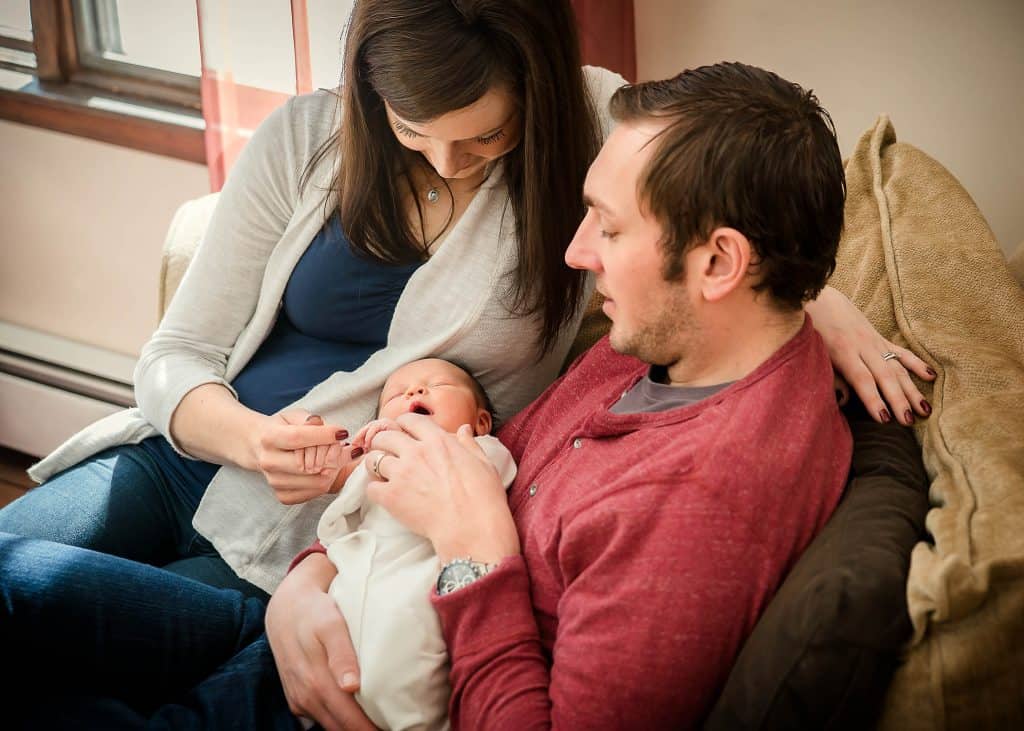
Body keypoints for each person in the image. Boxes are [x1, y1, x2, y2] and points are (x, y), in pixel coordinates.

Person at [0, 0, 933, 723]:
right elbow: (176, 356)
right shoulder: (314, 138)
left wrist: (815, 301)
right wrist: (262, 466)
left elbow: (729, 189)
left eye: (486, 135)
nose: (449, 162)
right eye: (414, 128)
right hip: (224, 471)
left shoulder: (597, 133)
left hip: (341, 528)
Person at [317, 358, 516, 731]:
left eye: (437, 385)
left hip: (415, 596)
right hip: (354, 606)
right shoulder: (377, 466)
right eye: (395, 395)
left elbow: (492, 476)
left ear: (481, 422)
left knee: (406, 673)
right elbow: (340, 523)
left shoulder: (481, 451)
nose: (413, 391)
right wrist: (364, 462)